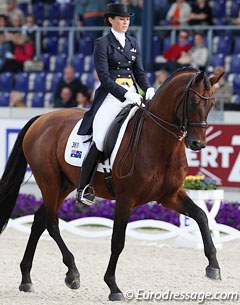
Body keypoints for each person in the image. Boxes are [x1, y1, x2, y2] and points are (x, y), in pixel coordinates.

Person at [76, 3, 155, 205]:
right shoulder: (102, 43)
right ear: (111, 20)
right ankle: (83, 188)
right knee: (101, 139)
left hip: (135, 96)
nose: (125, 22)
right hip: (112, 97)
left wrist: (148, 89)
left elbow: (139, 73)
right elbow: (104, 77)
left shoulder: (133, 42)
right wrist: (126, 94)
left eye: (127, 19)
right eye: (121, 19)